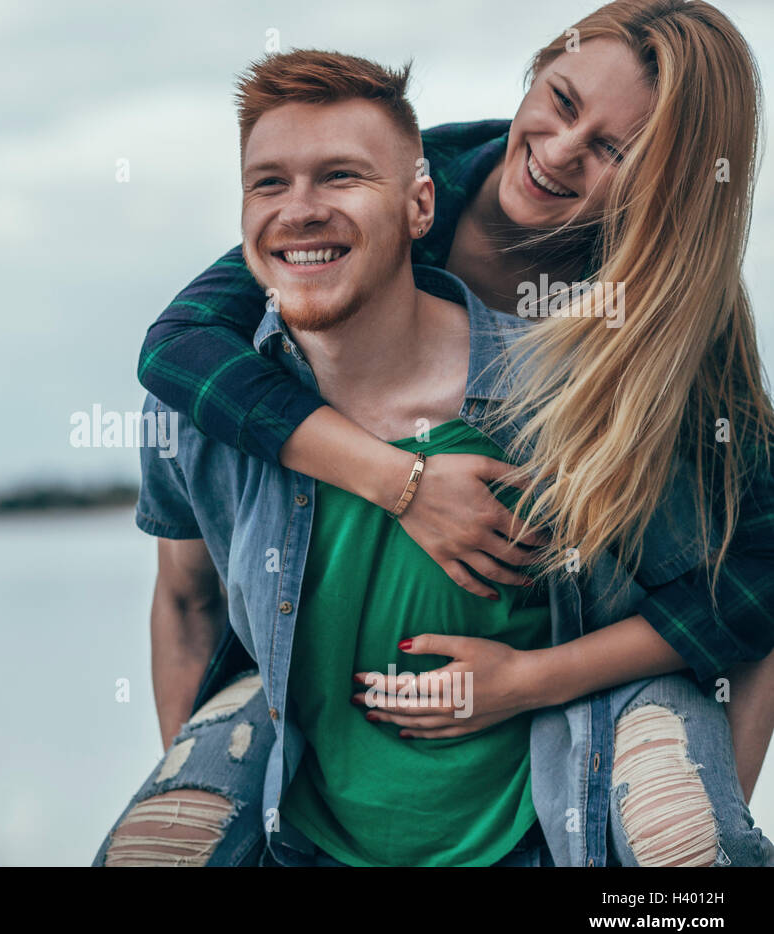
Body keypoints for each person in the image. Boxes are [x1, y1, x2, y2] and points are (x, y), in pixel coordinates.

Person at [94, 41, 774, 867]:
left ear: (418, 208)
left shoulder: (602, 383)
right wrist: (403, 483)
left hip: (542, 799)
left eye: (612, 150)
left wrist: (545, 689)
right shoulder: (217, 391)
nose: (559, 151)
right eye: (268, 182)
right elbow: (187, 588)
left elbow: (747, 591)